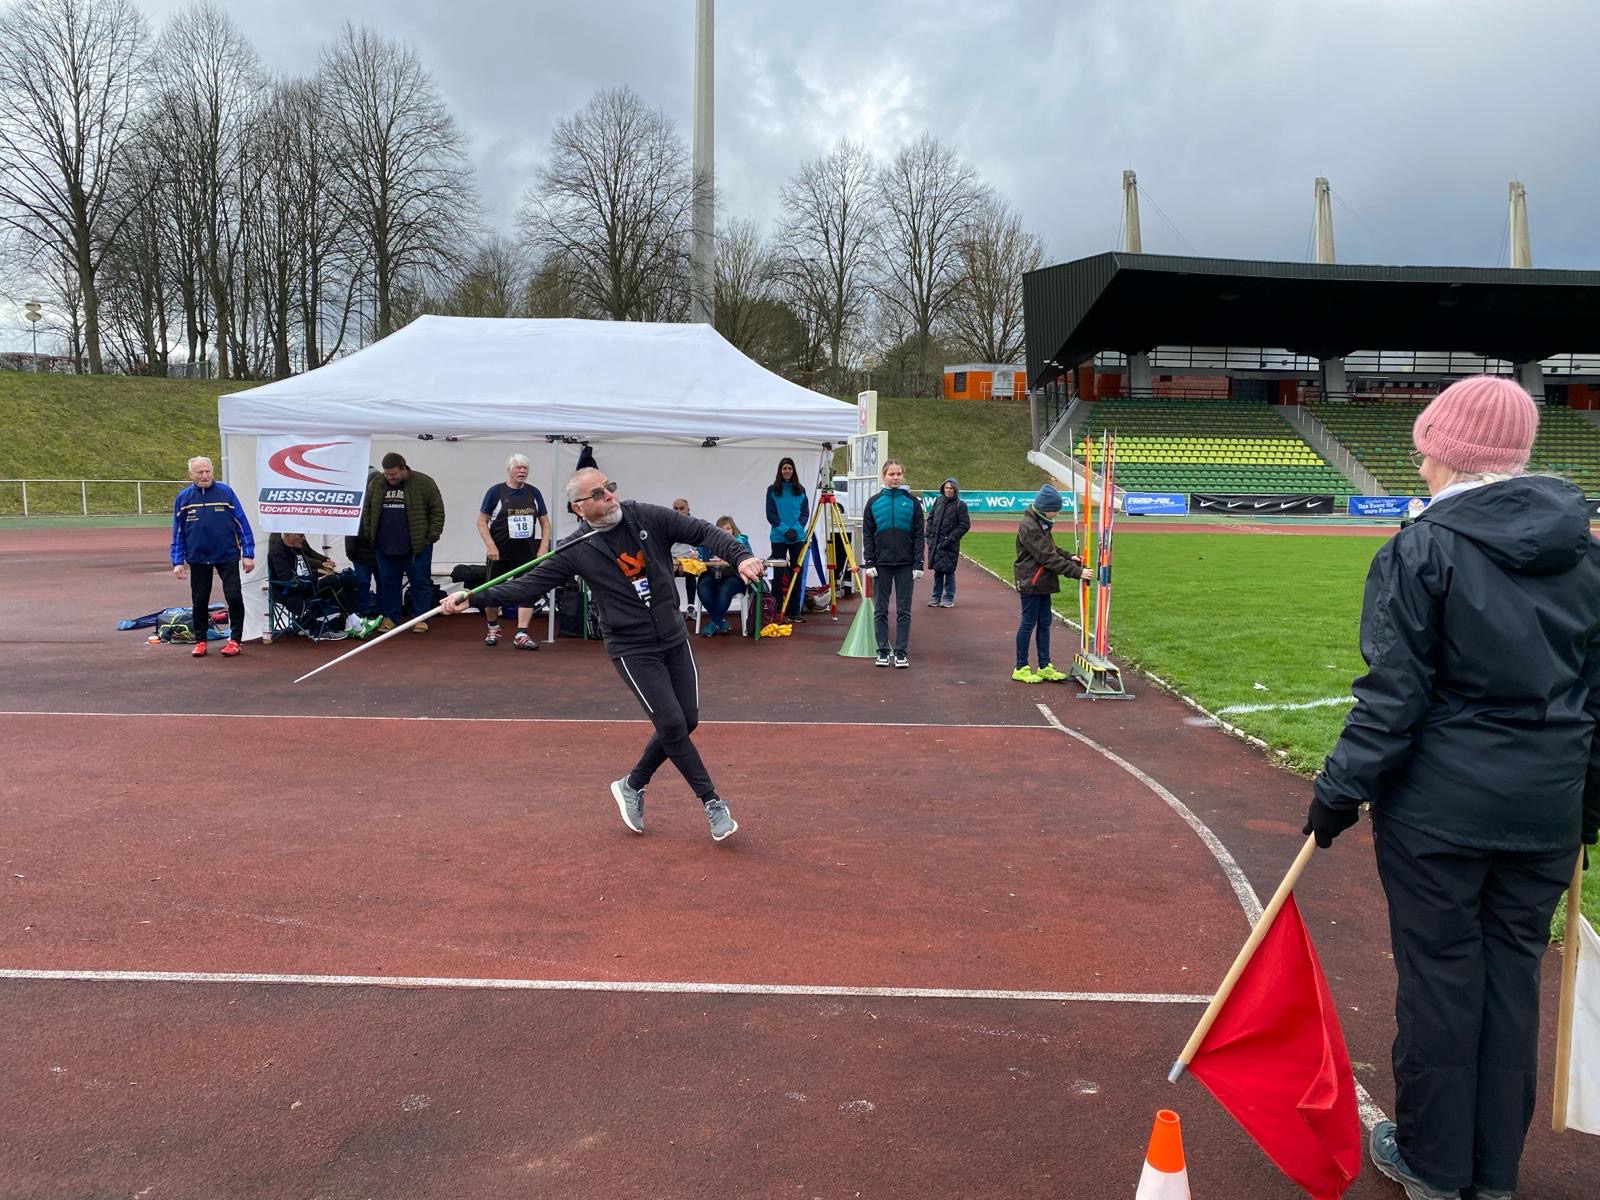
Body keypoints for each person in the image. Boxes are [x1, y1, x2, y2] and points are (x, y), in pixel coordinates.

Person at [1301, 376, 1600, 1200]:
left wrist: (1338, 792)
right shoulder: (1587, 554)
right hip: (1544, 810)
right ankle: (1491, 1172)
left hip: (1442, 811)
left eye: (1426, 448)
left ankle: (1435, 1163)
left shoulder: (1420, 548)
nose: (1419, 462)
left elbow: (1394, 697)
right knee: (1510, 980)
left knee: (1440, 979)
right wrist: (1588, 805)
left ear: (1450, 453)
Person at [440, 469, 763, 842]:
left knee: (686, 720)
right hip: (632, 647)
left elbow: (704, 531)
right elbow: (527, 586)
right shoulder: (575, 549)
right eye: (597, 494)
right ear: (578, 508)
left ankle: (632, 784)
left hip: (673, 636)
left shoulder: (645, 515)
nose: (609, 495)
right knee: (672, 724)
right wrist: (473, 597)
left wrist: (740, 557)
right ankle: (711, 802)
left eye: (609, 487)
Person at [169, 455, 254, 657]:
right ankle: (200, 641)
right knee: (200, 600)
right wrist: (177, 561)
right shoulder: (184, 498)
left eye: (208, 471)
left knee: (234, 597)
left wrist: (248, 553)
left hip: (227, 555)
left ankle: (235, 640)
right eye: (200, 472)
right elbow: (178, 532)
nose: (205, 475)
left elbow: (241, 523)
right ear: (191, 474)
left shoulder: (226, 492)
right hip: (198, 557)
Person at [359, 452, 444, 634]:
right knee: (388, 583)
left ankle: (420, 618)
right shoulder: (377, 483)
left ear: (404, 468)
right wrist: (370, 534)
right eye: (386, 474)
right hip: (385, 546)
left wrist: (431, 537)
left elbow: (437, 510)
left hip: (417, 547)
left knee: (420, 582)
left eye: (393, 474)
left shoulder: (424, 482)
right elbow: (367, 509)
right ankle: (390, 618)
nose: (389, 478)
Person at [1011, 484, 1087, 684]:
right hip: (1031, 581)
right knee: (1028, 623)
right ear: (1045, 508)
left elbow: (1051, 548)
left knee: (1044, 622)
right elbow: (1047, 557)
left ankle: (1044, 665)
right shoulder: (1030, 526)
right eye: (1055, 510)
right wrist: (1077, 572)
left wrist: (1069, 556)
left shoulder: (1040, 523)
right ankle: (1021, 667)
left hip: (1042, 581)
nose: (1056, 514)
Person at [476, 453, 551, 650]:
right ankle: (492, 627)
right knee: (491, 591)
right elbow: (482, 521)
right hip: (499, 553)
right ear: (509, 470)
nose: (522, 471)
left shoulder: (533, 493)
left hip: (526, 553)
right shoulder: (496, 492)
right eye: (518, 467)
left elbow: (545, 522)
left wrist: (543, 547)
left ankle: (521, 633)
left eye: (525, 468)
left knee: (528, 591)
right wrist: (490, 545)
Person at [860, 458, 925, 668]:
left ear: (902, 475)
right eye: (891, 474)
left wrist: (918, 563)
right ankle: (882, 651)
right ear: (884, 476)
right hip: (881, 564)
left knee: (904, 610)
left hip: (906, 564)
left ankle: (901, 652)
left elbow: (919, 534)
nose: (895, 478)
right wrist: (869, 561)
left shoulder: (912, 502)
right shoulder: (874, 502)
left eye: (898, 474)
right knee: (880, 609)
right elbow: (868, 534)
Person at [266, 532, 362, 631]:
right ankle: (353, 618)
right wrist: (316, 576)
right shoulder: (277, 552)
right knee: (332, 581)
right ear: (288, 535)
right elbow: (288, 578)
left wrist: (320, 570)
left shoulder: (297, 548)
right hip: (295, 592)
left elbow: (304, 568)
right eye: (300, 535)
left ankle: (347, 619)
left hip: (308, 584)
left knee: (349, 579)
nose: (303, 538)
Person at [765, 457, 811, 622]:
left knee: (796, 572)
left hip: (797, 537)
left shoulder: (800, 489)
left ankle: (794, 611)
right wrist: (785, 530)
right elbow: (770, 514)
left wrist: (796, 529)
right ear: (780, 470)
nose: (787, 471)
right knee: (778, 574)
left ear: (793, 471)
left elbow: (805, 513)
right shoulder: (772, 490)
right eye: (784, 468)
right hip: (779, 537)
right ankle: (777, 610)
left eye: (790, 468)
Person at [696, 516, 753, 636]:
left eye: (728, 528)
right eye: (721, 529)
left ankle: (713, 623)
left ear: (733, 530)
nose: (724, 531)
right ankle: (720, 621)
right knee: (703, 587)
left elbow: (749, 558)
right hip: (712, 574)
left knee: (725, 589)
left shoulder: (741, 541)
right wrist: (697, 555)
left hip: (734, 576)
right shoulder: (710, 541)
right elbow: (700, 557)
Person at [925, 477, 971, 608]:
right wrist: (929, 535)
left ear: (955, 490)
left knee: (949, 571)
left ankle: (948, 597)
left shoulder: (960, 505)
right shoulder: (938, 501)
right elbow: (930, 518)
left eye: (951, 488)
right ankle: (936, 596)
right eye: (946, 488)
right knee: (938, 571)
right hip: (936, 543)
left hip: (950, 544)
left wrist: (950, 538)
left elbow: (964, 525)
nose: (948, 490)